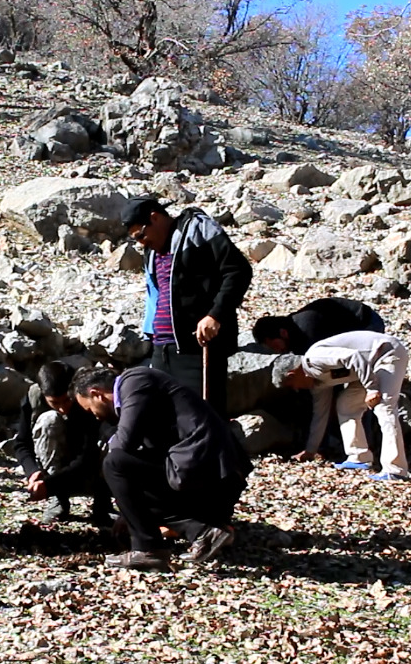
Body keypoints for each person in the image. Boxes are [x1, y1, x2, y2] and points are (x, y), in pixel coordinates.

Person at [71, 366, 253, 571]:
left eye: (89, 409)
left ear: (97, 395)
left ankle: (148, 549)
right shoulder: (145, 395)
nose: (95, 416)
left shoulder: (134, 381)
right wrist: (129, 511)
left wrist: (129, 507)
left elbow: (124, 444)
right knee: (128, 477)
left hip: (210, 472)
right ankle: (203, 531)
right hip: (204, 475)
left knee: (114, 463)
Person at [122, 195, 252, 417]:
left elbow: (237, 270)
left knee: (204, 418)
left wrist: (215, 315)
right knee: (167, 418)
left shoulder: (197, 229)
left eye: (141, 235)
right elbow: (156, 291)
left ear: (154, 218)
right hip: (162, 349)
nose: (141, 243)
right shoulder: (151, 250)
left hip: (198, 347)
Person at [271, 331, 409, 481]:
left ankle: (395, 469)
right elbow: (320, 414)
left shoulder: (315, 358)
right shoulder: (317, 383)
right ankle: (359, 457)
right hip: (366, 369)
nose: (297, 389)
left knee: (384, 407)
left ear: (292, 374)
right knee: (346, 405)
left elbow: (353, 357)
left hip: (386, 353)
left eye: (292, 385)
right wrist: (310, 450)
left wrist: (372, 389)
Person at [12, 361, 112, 524]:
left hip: (91, 469)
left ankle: (103, 504)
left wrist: (49, 486)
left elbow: (88, 457)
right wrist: (33, 472)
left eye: (66, 401)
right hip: (55, 471)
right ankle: (58, 500)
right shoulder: (33, 399)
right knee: (48, 420)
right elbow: (22, 443)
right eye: (55, 403)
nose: (63, 408)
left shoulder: (88, 401)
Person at [252, 297, 386, 355]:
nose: (277, 351)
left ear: (283, 333)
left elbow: (328, 361)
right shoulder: (292, 330)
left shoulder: (307, 331)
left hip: (367, 323)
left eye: (274, 346)